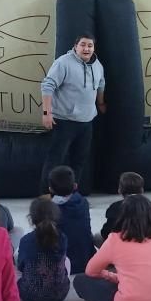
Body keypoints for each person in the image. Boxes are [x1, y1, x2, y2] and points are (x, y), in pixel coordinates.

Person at [40, 33, 106, 192]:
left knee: (79, 161)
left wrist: (101, 103)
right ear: (75, 47)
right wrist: (46, 113)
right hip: (64, 121)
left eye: (90, 45)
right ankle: (46, 196)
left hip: (86, 122)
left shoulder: (98, 65)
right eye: (83, 45)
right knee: (55, 161)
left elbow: (101, 84)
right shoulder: (63, 63)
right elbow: (47, 86)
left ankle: (71, 194)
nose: (86, 48)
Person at [17, 198, 70, 301]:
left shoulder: (26, 240)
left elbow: (21, 267)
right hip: (60, 294)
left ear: (31, 219)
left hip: (31, 298)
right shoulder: (62, 238)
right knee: (67, 261)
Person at [49, 165, 96, 274]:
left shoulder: (50, 210)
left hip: (63, 266)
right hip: (86, 261)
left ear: (50, 189)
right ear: (75, 186)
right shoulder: (83, 202)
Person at [95, 172, 151, 247]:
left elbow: (106, 232)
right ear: (142, 190)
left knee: (96, 237)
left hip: (121, 245)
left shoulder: (115, 208)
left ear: (120, 189)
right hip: (145, 243)